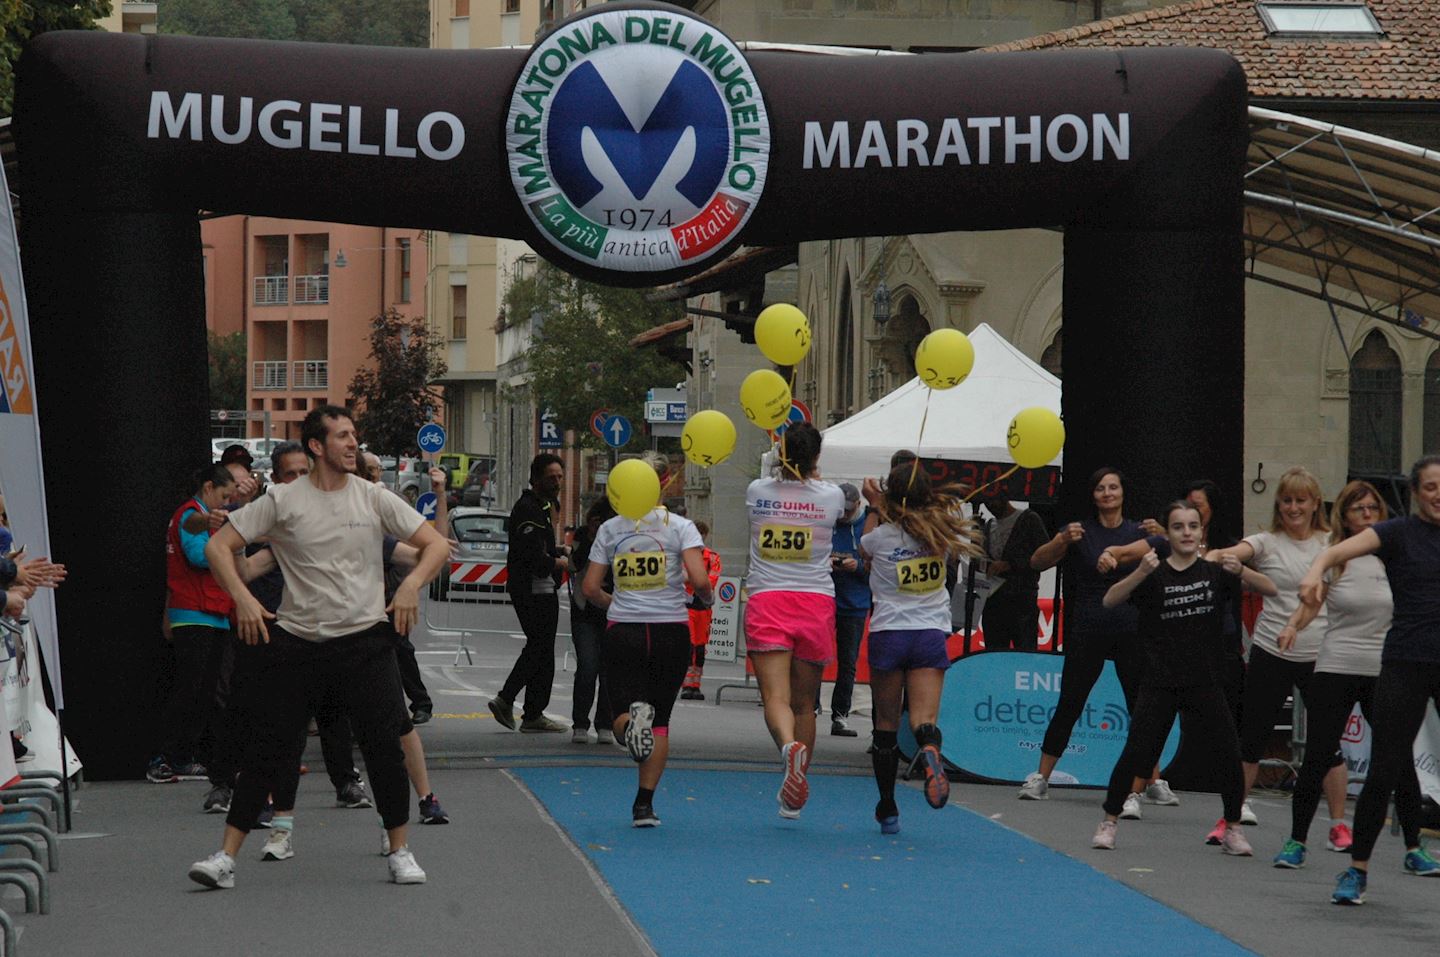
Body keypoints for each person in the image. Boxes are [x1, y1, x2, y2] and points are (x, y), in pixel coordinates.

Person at [187, 405, 448, 889]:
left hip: (365, 641)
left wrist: (410, 586)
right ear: (316, 445)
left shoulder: (373, 497)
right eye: (343, 436)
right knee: (266, 748)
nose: (353, 443)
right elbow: (217, 548)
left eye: (354, 436)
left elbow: (435, 546)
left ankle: (400, 849)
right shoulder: (284, 500)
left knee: (384, 749)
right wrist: (243, 600)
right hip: (298, 642)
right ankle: (225, 858)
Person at [1091, 501, 1276, 854]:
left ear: (1201, 532)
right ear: (1168, 533)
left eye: (1193, 526)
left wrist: (1241, 571)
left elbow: (1271, 588)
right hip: (1160, 680)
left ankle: (1233, 829)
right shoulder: (1155, 573)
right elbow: (1110, 600)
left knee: (1227, 753)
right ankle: (1109, 821)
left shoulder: (1214, 571)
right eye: (1178, 527)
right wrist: (1140, 572)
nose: (1187, 533)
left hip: (1204, 680)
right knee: (1136, 754)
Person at [1272, 481, 1435, 874]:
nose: (1366, 515)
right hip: (1336, 664)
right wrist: (1294, 624)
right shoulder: (1337, 556)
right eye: (1358, 509)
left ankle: (1415, 847)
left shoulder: (1396, 552)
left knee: (1398, 761)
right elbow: (1311, 604)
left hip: (1386, 668)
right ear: (1344, 515)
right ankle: (1297, 841)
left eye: (1372, 509)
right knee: (1318, 754)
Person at [1206, 467, 1348, 843]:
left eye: (1301, 500)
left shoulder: (1331, 543)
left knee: (1328, 743)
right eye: (1287, 500)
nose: (1293, 507)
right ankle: (1230, 819)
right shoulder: (1267, 541)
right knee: (1250, 740)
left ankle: (1338, 824)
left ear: (1315, 503)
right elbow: (1234, 552)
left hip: (1321, 653)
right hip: (1271, 650)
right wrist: (1216, 556)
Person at [582, 453, 714, 826]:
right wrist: (703, 602)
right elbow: (700, 580)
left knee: (620, 709)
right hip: (671, 629)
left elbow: (590, 587)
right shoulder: (681, 526)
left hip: (624, 629)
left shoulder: (611, 529)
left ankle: (628, 727)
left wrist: (615, 603)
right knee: (662, 721)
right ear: (663, 482)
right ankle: (644, 805)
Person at [1020, 467, 1166, 804]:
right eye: (1101, 488)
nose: (1107, 493)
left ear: (1123, 493)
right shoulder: (1079, 532)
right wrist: (1059, 540)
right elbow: (1035, 562)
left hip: (1131, 629)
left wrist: (1163, 537)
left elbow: (1180, 555)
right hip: (1088, 629)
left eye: (1113, 487)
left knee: (1141, 708)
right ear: (1093, 495)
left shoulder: (1140, 531)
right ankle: (1041, 777)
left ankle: (1154, 780)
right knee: (1070, 703)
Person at [859, 464, 981, 833]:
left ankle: (888, 807)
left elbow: (862, 554)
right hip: (928, 632)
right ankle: (929, 749)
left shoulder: (878, 537)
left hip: (889, 633)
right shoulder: (940, 534)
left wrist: (875, 507)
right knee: (923, 720)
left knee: (885, 724)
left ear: (890, 496)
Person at [744, 422, 846, 819]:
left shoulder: (757, 492)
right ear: (816, 458)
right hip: (815, 602)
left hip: (769, 599)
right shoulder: (831, 496)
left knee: (775, 698)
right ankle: (796, 791)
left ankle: (788, 748)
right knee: (807, 705)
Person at [150, 464, 253, 784]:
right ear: (208, 487)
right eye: (223, 496)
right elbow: (199, 556)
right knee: (192, 690)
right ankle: (167, 758)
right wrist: (228, 546)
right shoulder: (190, 515)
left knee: (207, 692)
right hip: (195, 611)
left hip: (212, 611)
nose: (224, 504)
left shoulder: (203, 516)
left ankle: (189, 755)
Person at [489, 453, 569, 734]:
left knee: (544, 650)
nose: (557, 482)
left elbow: (541, 547)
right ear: (536, 479)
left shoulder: (543, 506)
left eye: (560, 477)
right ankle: (506, 698)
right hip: (533, 589)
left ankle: (533, 713)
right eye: (551, 478)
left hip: (543, 587)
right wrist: (557, 562)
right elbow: (532, 554)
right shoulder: (529, 508)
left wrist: (559, 551)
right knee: (539, 646)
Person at [976, 485, 1048, 652]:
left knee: (1024, 652)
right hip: (994, 602)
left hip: (1021, 601)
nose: (990, 506)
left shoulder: (1029, 519)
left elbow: (1046, 556)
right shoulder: (988, 526)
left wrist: (1011, 565)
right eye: (986, 502)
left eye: (992, 500)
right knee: (994, 653)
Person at [568, 497, 616, 743]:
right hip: (585, 610)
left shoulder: (623, 537)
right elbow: (574, 565)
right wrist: (589, 537)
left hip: (615, 610)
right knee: (588, 665)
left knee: (609, 669)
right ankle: (580, 722)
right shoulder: (583, 536)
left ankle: (605, 723)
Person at [825, 484, 870, 736]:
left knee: (848, 662)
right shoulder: (828, 521)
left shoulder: (867, 526)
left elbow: (878, 567)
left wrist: (859, 566)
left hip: (854, 603)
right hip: (826, 599)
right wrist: (827, 562)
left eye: (848, 511)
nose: (842, 516)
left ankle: (840, 714)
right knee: (813, 656)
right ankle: (809, 707)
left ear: (859, 506)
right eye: (839, 511)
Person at [680, 520, 722, 701]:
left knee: (700, 647)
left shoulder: (711, 556)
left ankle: (695, 684)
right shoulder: (683, 556)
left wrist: (694, 579)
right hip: (686, 606)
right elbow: (681, 577)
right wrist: (697, 579)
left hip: (703, 607)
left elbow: (712, 579)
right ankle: (686, 684)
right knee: (688, 646)